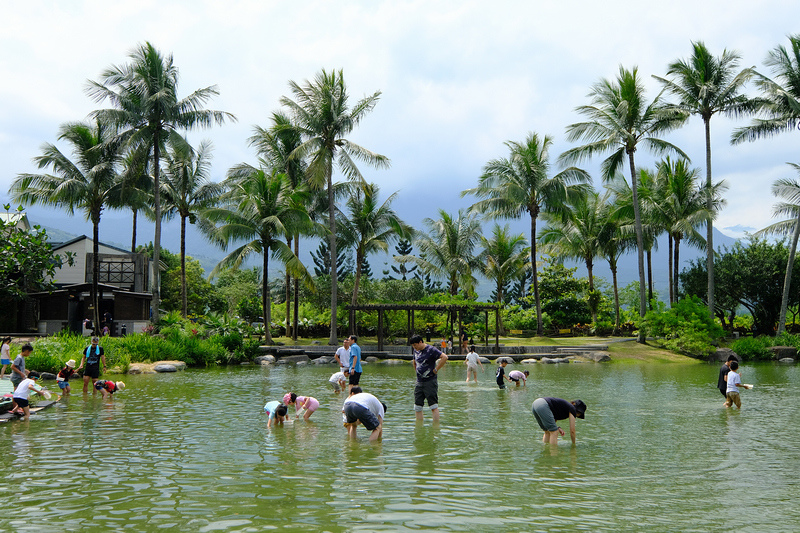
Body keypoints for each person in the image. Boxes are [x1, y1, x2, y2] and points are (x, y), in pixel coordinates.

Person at [410, 333, 447, 421]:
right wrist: (417, 372)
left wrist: (436, 369)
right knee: (417, 406)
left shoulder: (431, 350)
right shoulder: (416, 351)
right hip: (419, 382)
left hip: (430, 381)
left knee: (433, 406)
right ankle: (419, 428)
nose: (414, 347)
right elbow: (414, 361)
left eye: (415, 345)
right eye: (413, 346)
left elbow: (444, 357)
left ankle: (435, 428)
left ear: (420, 342)